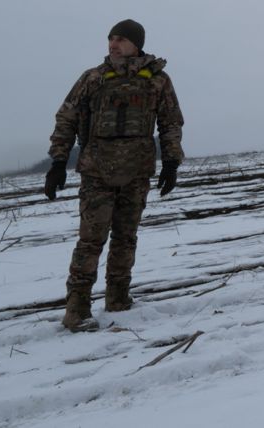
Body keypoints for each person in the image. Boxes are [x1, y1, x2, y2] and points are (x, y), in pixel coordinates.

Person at [44, 19, 184, 332]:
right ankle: (77, 308)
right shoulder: (93, 78)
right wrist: (58, 162)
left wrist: (172, 162)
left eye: (121, 39)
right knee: (91, 241)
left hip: (137, 173)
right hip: (97, 172)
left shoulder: (157, 80)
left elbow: (171, 122)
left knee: (125, 239)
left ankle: (118, 299)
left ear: (137, 44)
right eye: (111, 39)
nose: (113, 44)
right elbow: (66, 118)